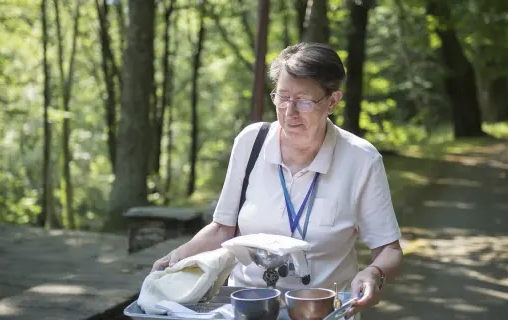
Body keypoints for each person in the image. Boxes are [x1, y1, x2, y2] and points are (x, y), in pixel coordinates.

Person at [152, 42, 403, 318]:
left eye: (304, 101)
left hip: (320, 311)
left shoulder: (361, 159)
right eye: (282, 97)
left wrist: (373, 273)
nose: (289, 112)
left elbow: (389, 249)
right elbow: (222, 228)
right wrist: (175, 259)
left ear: (332, 101)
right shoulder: (251, 143)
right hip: (246, 307)